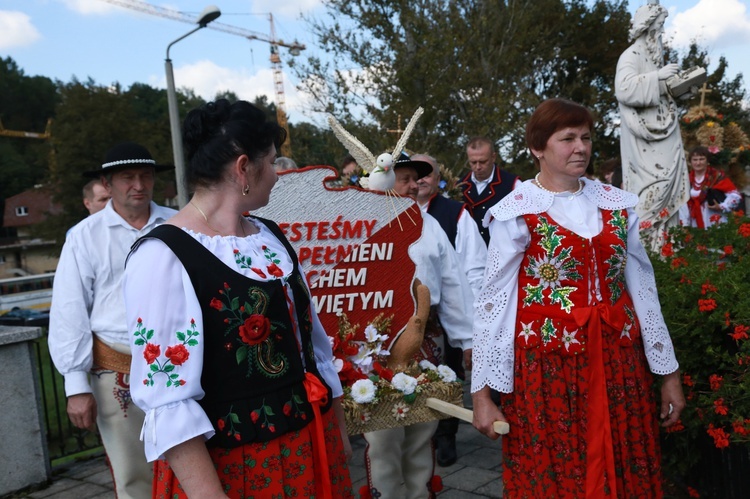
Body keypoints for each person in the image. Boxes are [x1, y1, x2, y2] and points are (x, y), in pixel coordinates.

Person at [123, 99, 353, 498]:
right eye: (272, 162)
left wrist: (337, 432)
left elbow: (311, 345)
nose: (278, 175)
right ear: (244, 167)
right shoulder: (163, 256)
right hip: (234, 465)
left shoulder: (269, 236)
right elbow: (166, 396)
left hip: (308, 440)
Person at [471, 98, 685, 498]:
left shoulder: (616, 203)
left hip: (619, 365)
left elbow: (644, 292)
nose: (581, 147)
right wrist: (483, 395)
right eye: (567, 138)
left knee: (624, 466)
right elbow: (492, 306)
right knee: (556, 473)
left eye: (585, 137)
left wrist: (668, 374)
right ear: (538, 147)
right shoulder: (516, 212)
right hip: (547, 372)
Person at [48, 142, 177, 498]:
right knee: (132, 472)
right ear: (107, 182)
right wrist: (76, 385)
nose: (139, 184)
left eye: (146, 175)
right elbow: (68, 310)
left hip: (180, 363)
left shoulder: (177, 224)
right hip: (116, 367)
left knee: (191, 458)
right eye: (127, 177)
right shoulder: (84, 237)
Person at [363, 153, 474, 498]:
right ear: (382, 182)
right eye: (405, 178)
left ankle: (420, 494)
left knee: (423, 427)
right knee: (383, 435)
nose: (414, 186)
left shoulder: (431, 226)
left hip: (427, 342)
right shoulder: (359, 226)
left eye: (417, 178)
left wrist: (468, 340)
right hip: (375, 344)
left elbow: (454, 284)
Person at [413, 152, 486, 466]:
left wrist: (474, 326)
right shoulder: (385, 211)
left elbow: (474, 268)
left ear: (438, 176)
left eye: (427, 173)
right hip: (405, 317)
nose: (420, 180)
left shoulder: (455, 213)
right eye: (413, 175)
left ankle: (446, 435)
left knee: (449, 376)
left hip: (444, 316)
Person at [615, 1, 690, 251]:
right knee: (652, 191)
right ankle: (649, 252)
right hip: (646, 143)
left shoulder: (653, 58)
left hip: (666, 137)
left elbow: (659, 93)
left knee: (669, 190)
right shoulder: (632, 55)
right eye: (658, 28)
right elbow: (624, 89)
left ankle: (669, 252)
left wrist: (678, 90)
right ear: (647, 29)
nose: (660, 34)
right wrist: (657, 77)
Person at [461, 137, 521, 245]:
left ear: (493, 157)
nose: (478, 167)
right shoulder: (459, 186)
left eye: (483, 162)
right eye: (473, 162)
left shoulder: (513, 185)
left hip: (502, 251)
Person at [680, 145, 742, 228]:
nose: (698, 163)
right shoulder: (687, 180)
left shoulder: (717, 176)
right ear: (690, 162)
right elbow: (682, 202)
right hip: (694, 222)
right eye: (695, 160)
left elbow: (735, 195)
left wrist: (722, 206)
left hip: (715, 220)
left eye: (701, 159)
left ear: (707, 161)